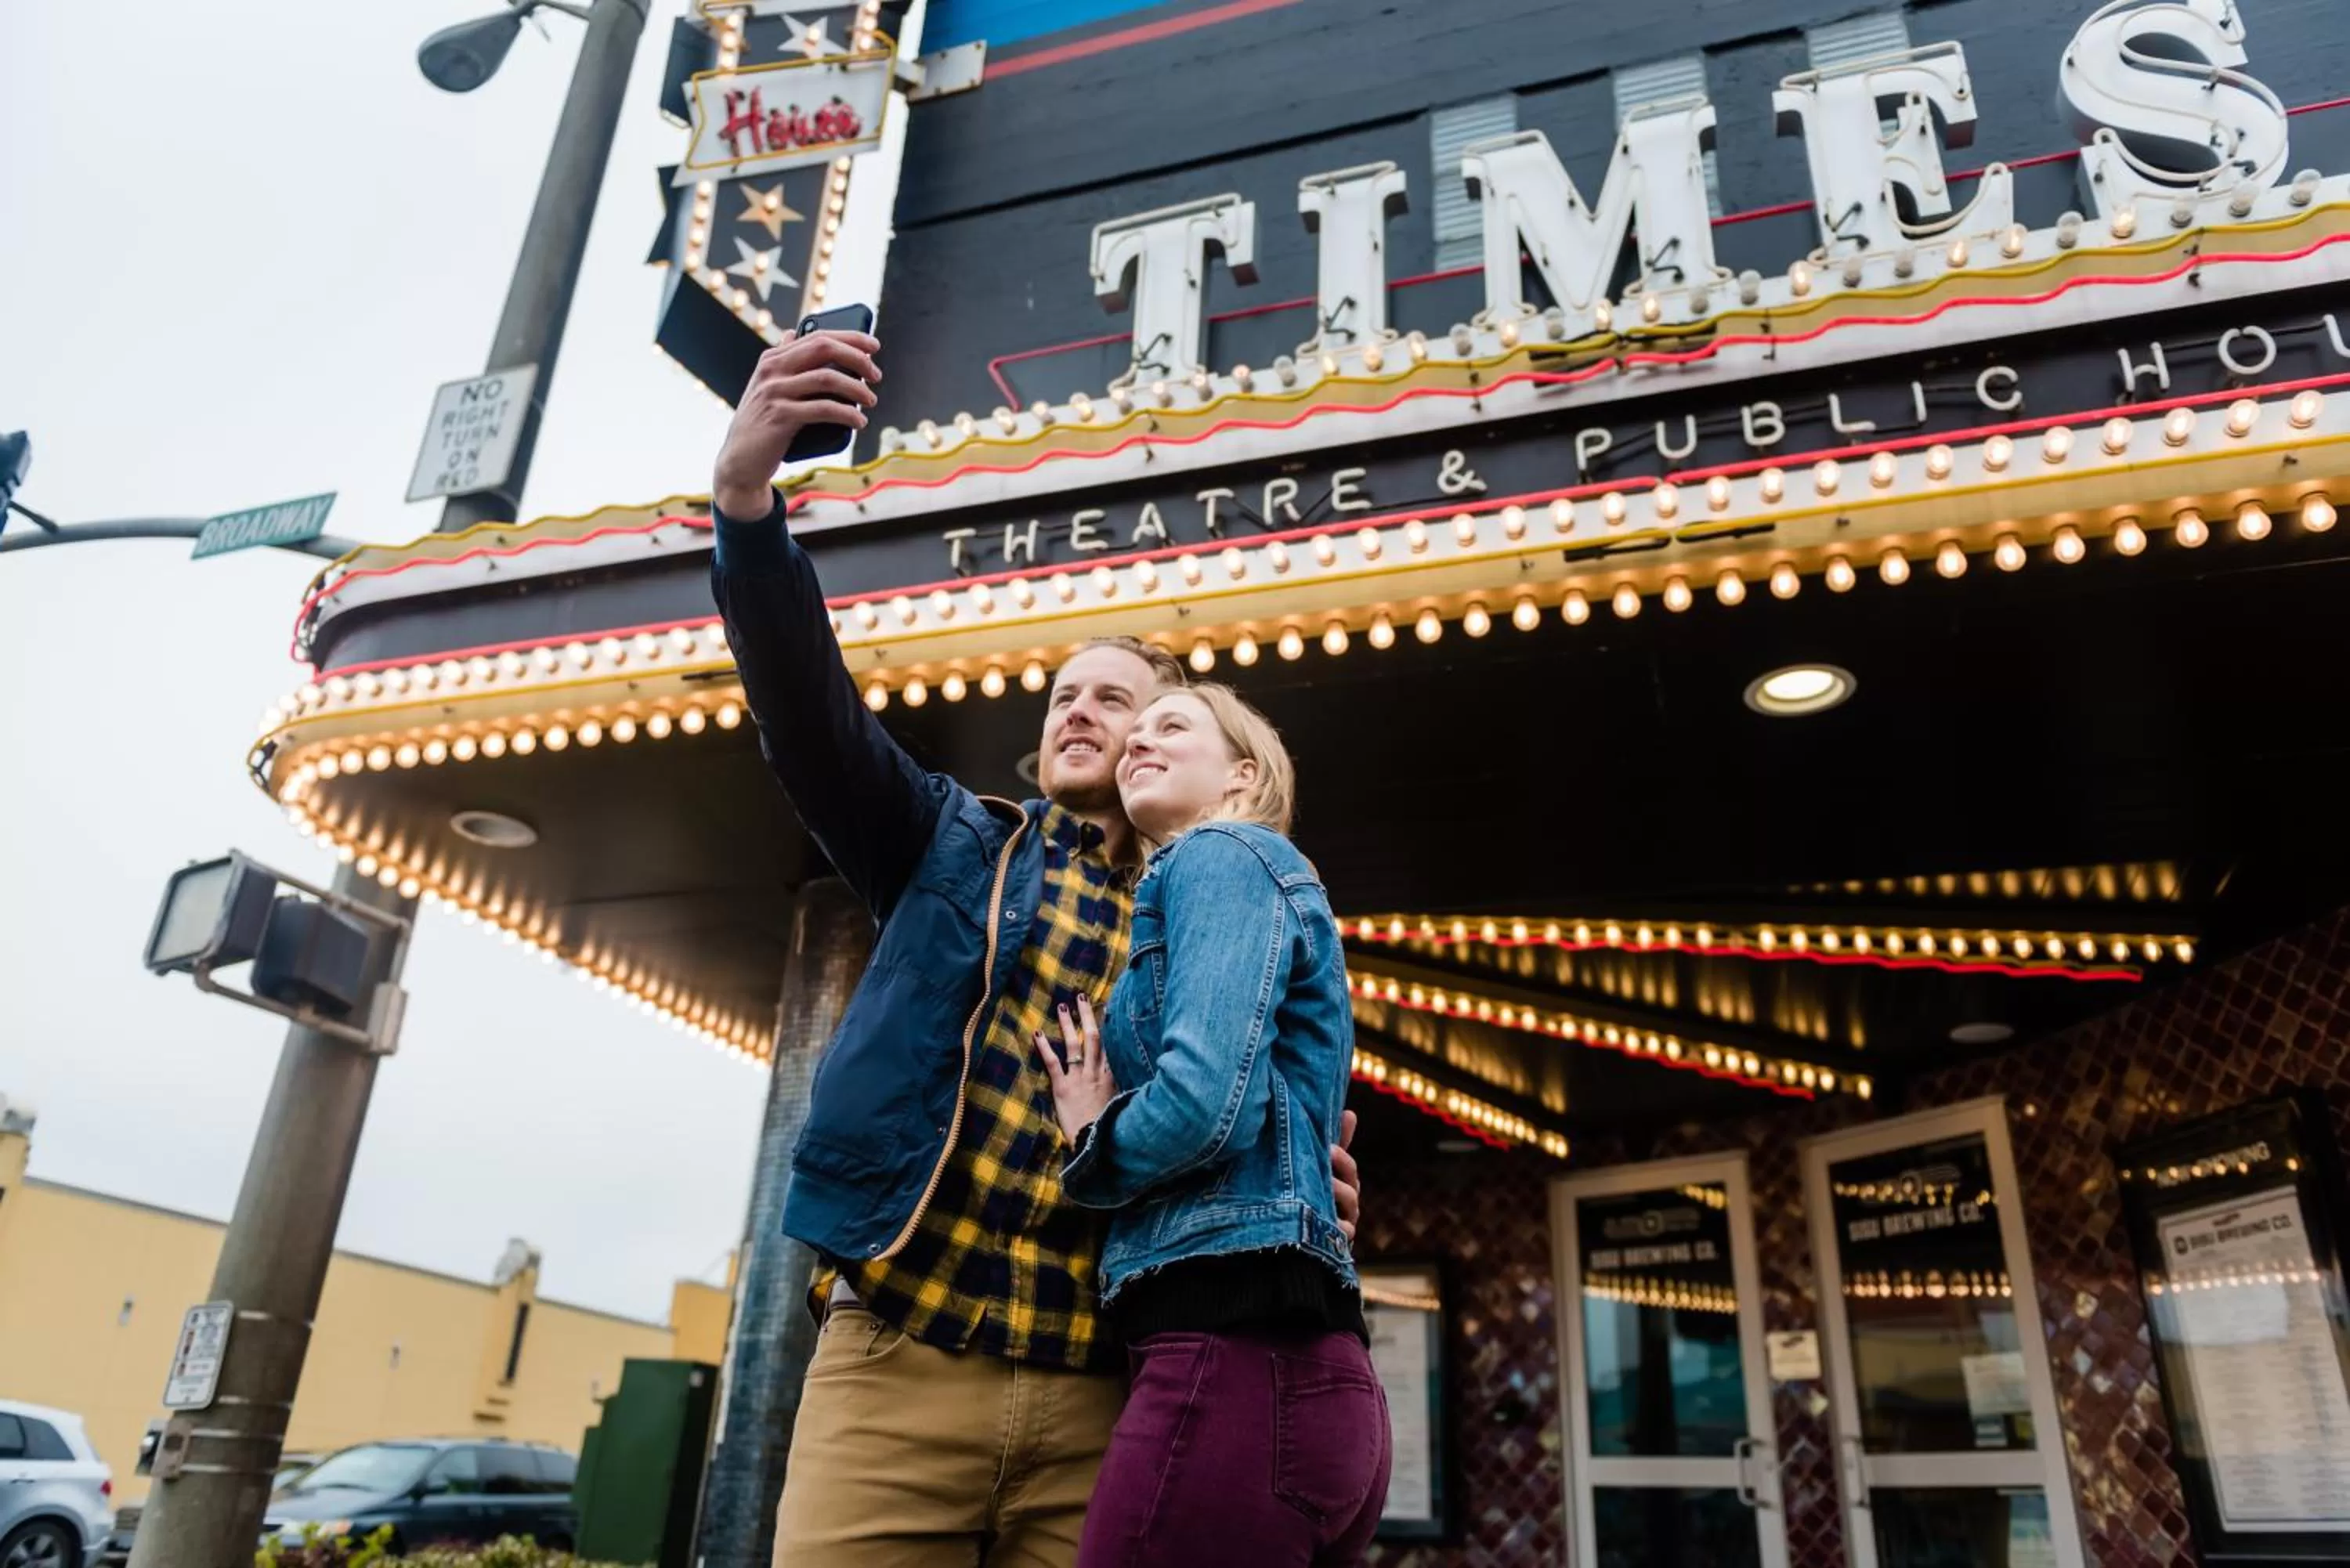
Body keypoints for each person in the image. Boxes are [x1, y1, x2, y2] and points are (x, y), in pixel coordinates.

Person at [706, 326, 1363, 1568]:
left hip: (1114, 1384)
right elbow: (810, 717)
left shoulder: (1218, 897)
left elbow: (1269, 1105)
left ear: (1174, 738)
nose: (1080, 709)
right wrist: (747, 510)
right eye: (1064, 692)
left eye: (1119, 698)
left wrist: (1302, 1184)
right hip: (900, 1362)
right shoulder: (952, 843)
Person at [1034, 684, 1390, 1568]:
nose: (1137, 742)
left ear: (1243, 775)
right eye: (1136, 734)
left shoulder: (1219, 855)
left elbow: (1204, 1107)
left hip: (1230, 1365)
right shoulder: (1246, 878)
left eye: (1172, 726)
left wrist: (1093, 1141)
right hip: (1300, 1374)